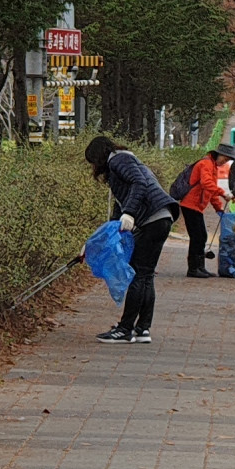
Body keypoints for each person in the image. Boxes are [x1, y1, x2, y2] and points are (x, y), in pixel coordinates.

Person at [85, 135, 177, 344]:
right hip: (161, 218)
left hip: (152, 219)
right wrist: (100, 239)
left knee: (137, 274)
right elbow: (120, 206)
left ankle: (125, 329)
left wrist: (130, 213)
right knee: (145, 275)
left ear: (98, 156)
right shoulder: (122, 162)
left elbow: (139, 183)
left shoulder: (119, 160)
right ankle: (142, 328)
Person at [178, 149, 228, 277]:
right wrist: (223, 193)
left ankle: (200, 267)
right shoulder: (205, 164)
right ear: (219, 155)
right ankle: (193, 268)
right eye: (225, 159)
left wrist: (218, 208)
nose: (225, 162)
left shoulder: (213, 166)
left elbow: (209, 191)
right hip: (190, 204)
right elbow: (207, 184)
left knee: (201, 236)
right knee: (197, 237)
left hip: (196, 206)